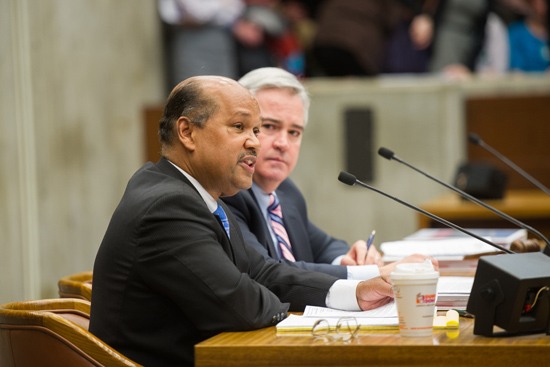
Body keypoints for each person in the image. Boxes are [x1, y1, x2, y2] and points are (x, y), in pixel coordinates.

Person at [89, 75, 395, 367]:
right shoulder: (168, 206)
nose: (255, 144)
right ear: (187, 132)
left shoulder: (201, 196)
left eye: (257, 130)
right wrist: (276, 301)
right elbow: (242, 306)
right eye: (239, 127)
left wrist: (356, 293)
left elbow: (263, 272)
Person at [223, 67, 437, 280]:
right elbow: (268, 271)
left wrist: (349, 258)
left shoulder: (286, 192)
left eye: (294, 132)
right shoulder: (226, 194)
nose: (283, 143)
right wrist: (373, 274)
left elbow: (325, 246)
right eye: (269, 126)